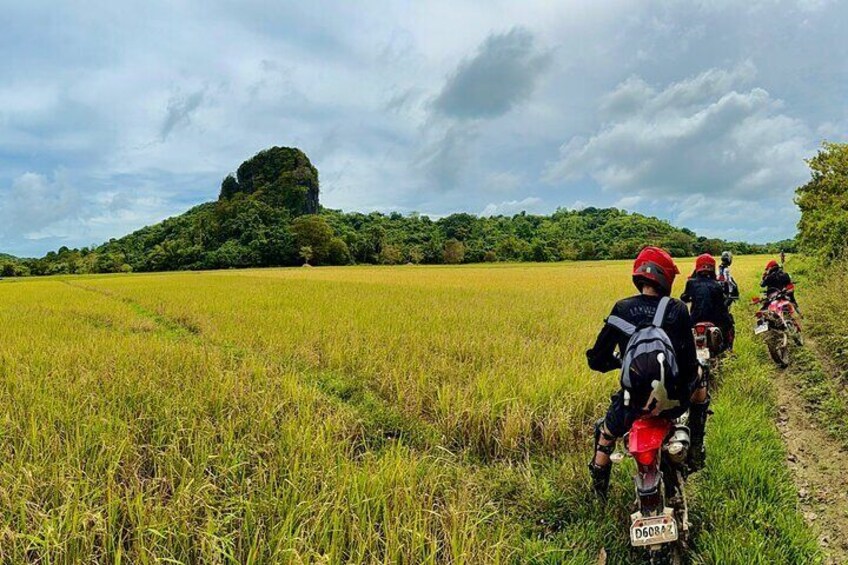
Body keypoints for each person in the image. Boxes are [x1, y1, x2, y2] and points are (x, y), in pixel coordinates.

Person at [585, 247, 708, 498]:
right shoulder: (676, 309)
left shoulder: (621, 309)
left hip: (632, 405)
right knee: (701, 378)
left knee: (606, 434)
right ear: (666, 278)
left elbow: (597, 360)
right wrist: (689, 381)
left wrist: (620, 363)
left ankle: (598, 493)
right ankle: (696, 448)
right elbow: (687, 364)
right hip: (673, 402)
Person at [681, 254, 735, 351]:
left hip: (695, 319)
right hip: (714, 320)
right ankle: (728, 348)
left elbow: (684, 297)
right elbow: (721, 304)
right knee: (729, 323)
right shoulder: (716, 285)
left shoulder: (691, 283)